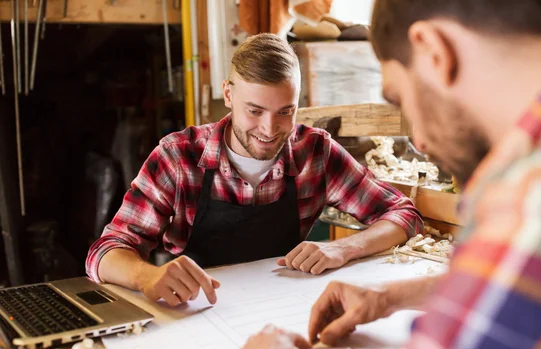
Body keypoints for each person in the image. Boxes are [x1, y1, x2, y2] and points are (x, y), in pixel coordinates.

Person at [226, 0, 541, 349]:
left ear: (434, 51)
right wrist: (391, 297)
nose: (419, 141)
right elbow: (538, 283)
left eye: (400, 98)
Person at [85, 33, 422, 307]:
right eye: (255, 110)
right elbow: (105, 252)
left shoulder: (315, 152)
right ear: (228, 94)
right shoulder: (178, 156)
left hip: (283, 305)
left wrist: (343, 248)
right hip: (197, 308)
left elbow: (403, 214)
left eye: (285, 112)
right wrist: (147, 277)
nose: (269, 128)